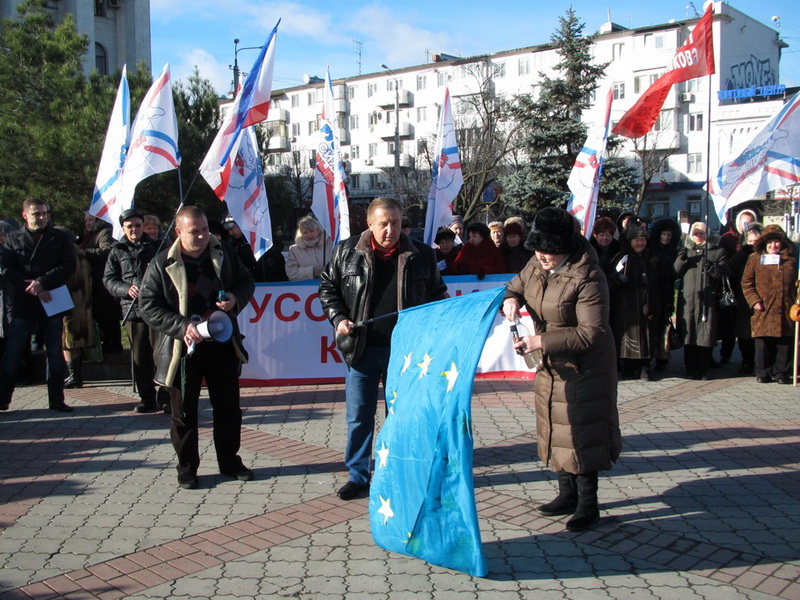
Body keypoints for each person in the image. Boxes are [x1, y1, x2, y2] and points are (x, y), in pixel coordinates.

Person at [318, 197, 447, 501]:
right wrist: (339, 318)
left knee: (401, 417)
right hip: (361, 349)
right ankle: (358, 475)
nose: (390, 230)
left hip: (405, 353)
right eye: (384, 224)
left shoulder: (422, 254)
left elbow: (437, 293)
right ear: (370, 224)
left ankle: (397, 473)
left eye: (396, 223)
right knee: (359, 417)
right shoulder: (347, 251)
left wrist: (441, 311)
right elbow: (328, 288)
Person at [502, 206, 620, 532]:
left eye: (548, 251)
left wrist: (541, 341)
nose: (541, 256)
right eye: (537, 249)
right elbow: (515, 285)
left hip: (585, 367)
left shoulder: (588, 275)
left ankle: (588, 505)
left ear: (564, 247)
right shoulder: (537, 263)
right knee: (555, 427)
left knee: (582, 434)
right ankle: (566, 494)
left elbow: (592, 332)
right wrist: (511, 299)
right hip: (551, 364)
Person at [139, 206, 256, 489]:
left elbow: (246, 282)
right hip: (182, 350)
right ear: (178, 232)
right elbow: (148, 306)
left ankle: (229, 462)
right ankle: (187, 468)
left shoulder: (225, 253)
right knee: (184, 414)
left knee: (228, 409)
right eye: (195, 231)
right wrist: (182, 326)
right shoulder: (161, 263)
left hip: (222, 344)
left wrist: (234, 298)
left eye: (205, 229)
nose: (203, 236)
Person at [0, 198, 77, 412]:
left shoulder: (59, 237)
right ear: (25, 215)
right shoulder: (13, 238)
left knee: (54, 352)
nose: (42, 217)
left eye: (45, 213)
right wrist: (32, 286)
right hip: (24, 302)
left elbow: (68, 265)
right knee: (13, 352)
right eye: (37, 214)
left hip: (52, 298)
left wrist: (43, 282)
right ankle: (3, 398)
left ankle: (56, 400)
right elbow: (7, 268)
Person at [103, 209, 164, 413]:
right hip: (133, 310)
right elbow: (109, 279)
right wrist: (125, 289)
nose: (134, 229)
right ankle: (147, 398)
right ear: (123, 228)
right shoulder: (116, 250)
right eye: (130, 226)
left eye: (138, 225)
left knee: (162, 355)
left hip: (157, 308)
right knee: (140, 357)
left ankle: (166, 397)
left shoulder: (157, 247)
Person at [741, 225, 798, 384]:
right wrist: (754, 301)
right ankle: (763, 372)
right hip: (764, 308)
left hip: (786, 307)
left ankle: (781, 372)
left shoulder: (791, 259)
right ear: (764, 243)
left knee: (784, 342)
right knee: (763, 343)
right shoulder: (755, 258)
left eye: (777, 242)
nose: (774, 246)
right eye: (770, 242)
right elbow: (746, 282)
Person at [607, 222, 663, 381]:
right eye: (636, 240)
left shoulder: (651, 258)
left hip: (649, 306)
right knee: (629, 338)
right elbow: (609, 279)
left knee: (647, 337)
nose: (640, 243)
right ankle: (629, 368)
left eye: (642, 240)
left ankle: (645, 368)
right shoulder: (622, 258)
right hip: (627, 307)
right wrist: (618, 279)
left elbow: (661, 282)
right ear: (630, 242)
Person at [674, 222, 729, 380]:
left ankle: (703, 369)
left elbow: (724, 274)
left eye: (702, 233)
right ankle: (690, 369)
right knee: (689, 334)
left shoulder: (717, 251)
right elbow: (675, 272)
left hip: (708, 300)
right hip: (689, 299)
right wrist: (681, 259)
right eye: (695, 233)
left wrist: (712, 267)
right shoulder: (686, 250)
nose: (698, 236)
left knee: (705, 335)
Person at [79, 213, 122, 353]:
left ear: (98, 220)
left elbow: (107, 251)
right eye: (86, 220)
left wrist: (85, 252)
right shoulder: (89, 235)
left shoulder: (104, 232)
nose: (88, 223)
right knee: (99, 315)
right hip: (94, 282)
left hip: (103, 282)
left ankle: (114, 346)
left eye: (91, 220)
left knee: (107, 316)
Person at [61, 228, 93, 389]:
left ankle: (74, 376)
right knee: (76, 341)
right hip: (82, 304)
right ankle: (76, 375)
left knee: (67, 342)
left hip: (69, 303)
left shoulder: (66, 258)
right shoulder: (81, 257)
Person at [728, 224, 762, 374]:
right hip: (742, 301)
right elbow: (730, 269)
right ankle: (746, 362)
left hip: (760, 299)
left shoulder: (765, 256)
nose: (753, 244)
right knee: (744, 334)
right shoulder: (741, 255)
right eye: (750, 241)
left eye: (756, 241)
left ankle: (760, 363)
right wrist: (743, 253)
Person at [649, 218, 682, 371]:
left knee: (665, 327)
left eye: (669, 235)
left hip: (667, 292)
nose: (666, 238)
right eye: (664, 234)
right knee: (653, 326)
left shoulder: (674, 252)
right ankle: (651, 356)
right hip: (653, 292)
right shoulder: (651, 250)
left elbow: (675, 273)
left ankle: (663, 358)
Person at [285, 216, 332, 281]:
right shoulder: (294, 250)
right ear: (301, 234)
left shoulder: (331, 244)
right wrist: (313, 271)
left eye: (311, 231)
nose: (309, 235)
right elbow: (291, 273)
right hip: (307, 286)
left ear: (318, 230)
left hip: (331, 284)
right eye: (305, 232)